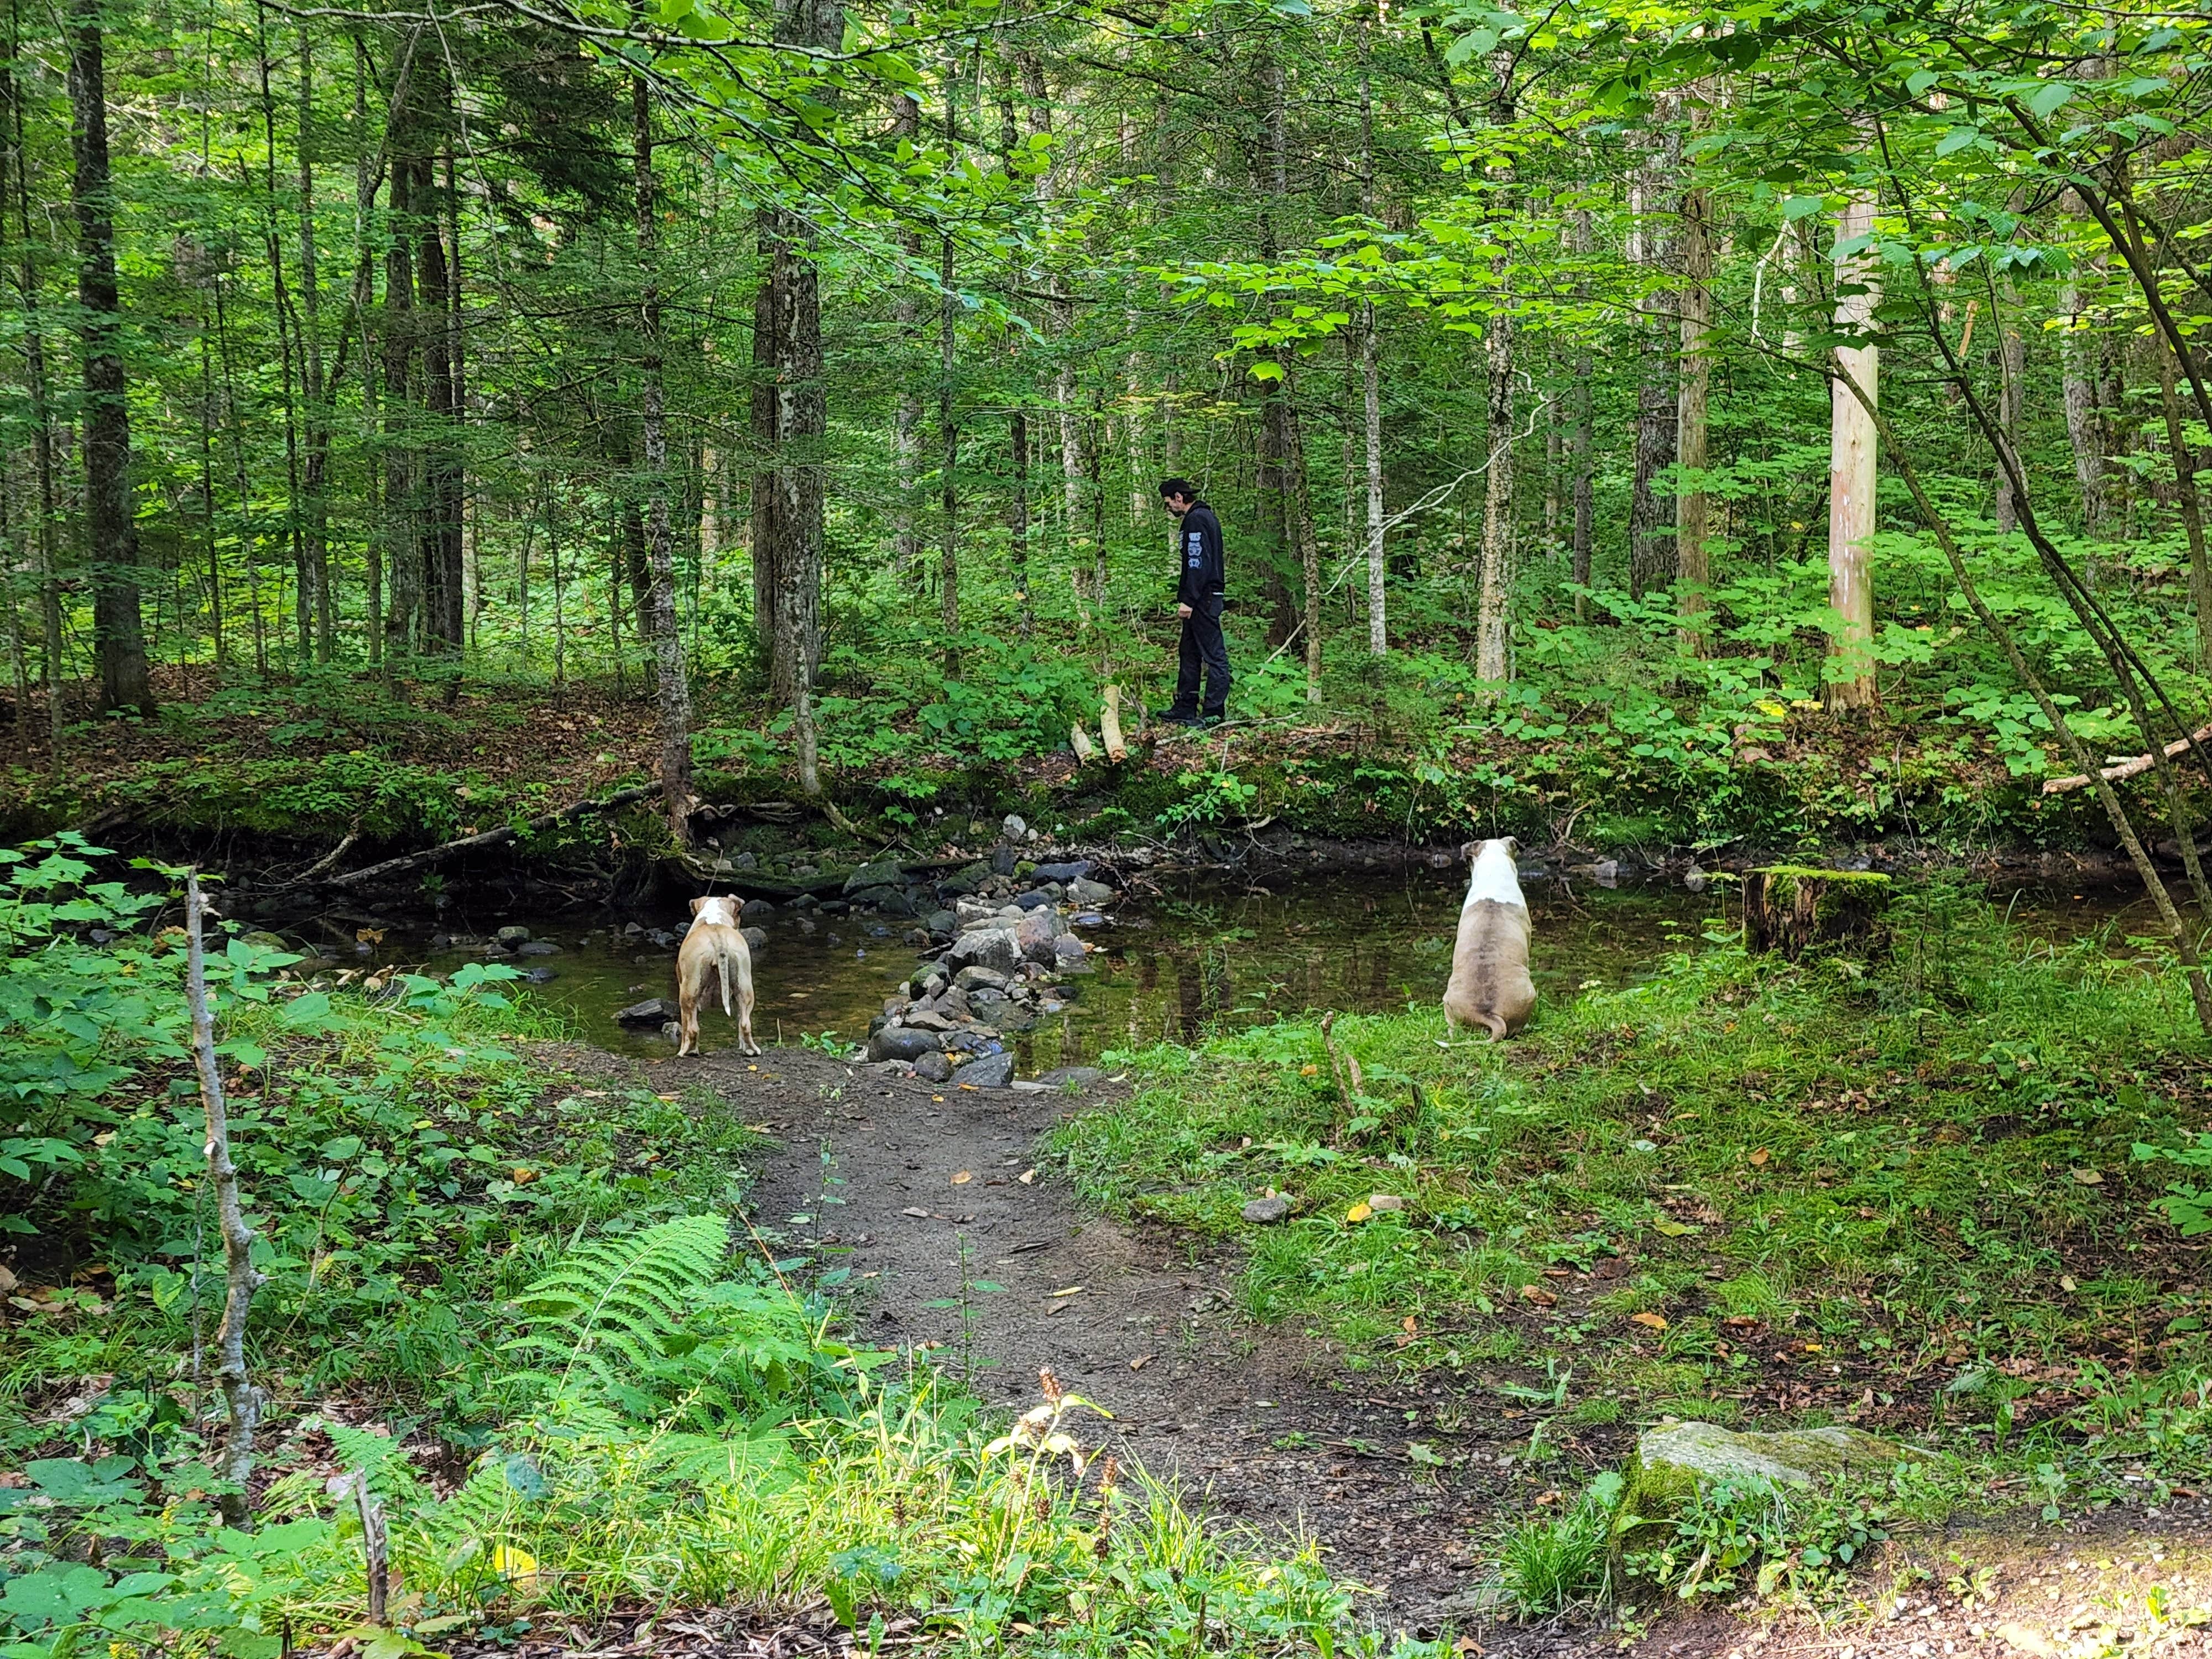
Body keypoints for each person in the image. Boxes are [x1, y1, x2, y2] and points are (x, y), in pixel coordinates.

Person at [1156, 477, 1229, 725]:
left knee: (1214, 654)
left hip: (1204, 599)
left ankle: (1213, 712)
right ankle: (1185, 706)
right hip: (1202, 597)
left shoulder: (1197, 520)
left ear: (1179, 498)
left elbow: (1197, 563)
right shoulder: (1202, 518)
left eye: (1168, 503)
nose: (1169, 509)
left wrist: (1189, 599)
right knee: (1189, 652)